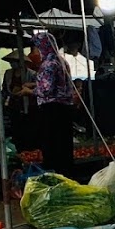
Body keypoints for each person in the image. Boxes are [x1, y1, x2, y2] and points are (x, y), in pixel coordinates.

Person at [30, 31, 77, 177]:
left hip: (51, 110)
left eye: (37, 48)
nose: (35, 52)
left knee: (52, 145)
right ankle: (66, 174)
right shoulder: (61, 61)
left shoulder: (48, 64)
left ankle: (55, 175)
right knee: (64, 144)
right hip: (65, 108)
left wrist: (30, 90)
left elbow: (46, 90)